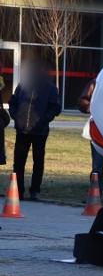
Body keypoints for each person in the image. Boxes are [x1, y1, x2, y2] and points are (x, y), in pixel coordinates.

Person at [9, 59, 61, 201]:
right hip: (22, 130)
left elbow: (56, 107)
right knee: (18, 162)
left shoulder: (49, 88)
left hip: (40, 131)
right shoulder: (23, 85)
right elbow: (12, 102)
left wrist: (44, 120)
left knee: (38, 162)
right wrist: (16, 116)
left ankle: (35, 191)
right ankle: (18, 190)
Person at [77, 79, 103, 203]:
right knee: (97, 166)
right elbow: (83, 100)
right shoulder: (96, 83)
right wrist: (90, 107)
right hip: (98, 132)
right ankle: (95, 195)